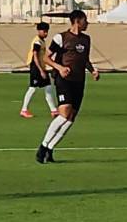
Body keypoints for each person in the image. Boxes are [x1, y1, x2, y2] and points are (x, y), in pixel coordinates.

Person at [36, 10, 99, 163]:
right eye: (85, 20)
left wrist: (92, 70)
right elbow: (46, 58)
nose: (87, 23)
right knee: (64, 113)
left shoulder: (86, 39)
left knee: (71, 118)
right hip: (64, 80)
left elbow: (85, 59)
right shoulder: (61, 38)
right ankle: (43, 147)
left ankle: (50, 148)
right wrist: (60, 68)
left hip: (79, 81)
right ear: (77, 21)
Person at [20, 21, 58, 119]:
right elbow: (35, 56)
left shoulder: (42, 41)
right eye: (44, 31)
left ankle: (53, 110)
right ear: (39, 31)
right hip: (36, 67)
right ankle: (24, 110)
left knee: (48, 87)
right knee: (32, 88)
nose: (46, 33)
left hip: (41, 67)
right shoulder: (37, 41)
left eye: (47, 31)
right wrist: (40, 70)